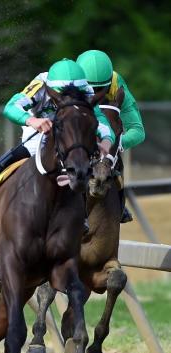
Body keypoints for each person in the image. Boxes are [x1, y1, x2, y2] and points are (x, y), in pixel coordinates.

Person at [0, 58, 115, 202]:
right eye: (63, 95)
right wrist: (32, 121)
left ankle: (116, 201)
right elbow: (11, 107)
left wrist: (106, 141)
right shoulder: (40, 85)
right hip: (40, 134)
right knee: (19, 154)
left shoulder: (85, 90)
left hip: (71, 136)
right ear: (51, 89)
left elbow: (101, 121)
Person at [77, 49, 145, 223]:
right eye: (90, 89)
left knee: (114, 157)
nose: (95, 94)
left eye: (101, 89)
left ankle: (119, 203)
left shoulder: (117, 85)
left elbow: (137, 130)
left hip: (106, 131)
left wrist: (115, 144)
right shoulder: (67, 81)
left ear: (110, 83)